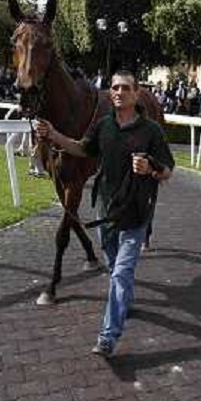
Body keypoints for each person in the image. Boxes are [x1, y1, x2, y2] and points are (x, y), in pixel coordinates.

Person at [36, 70, 174, 357]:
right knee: (115, 269)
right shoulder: (103, 126)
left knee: (121, 274)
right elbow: (81, 149)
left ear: (137, 93)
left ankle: (107, 337)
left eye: (125, 88)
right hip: (105, 213)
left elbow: (168, 171)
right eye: (114, 88)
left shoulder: (151, 131)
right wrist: (54, 134)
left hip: (135, 213)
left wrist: (151, 169)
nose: (119, 92)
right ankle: (125, 301)